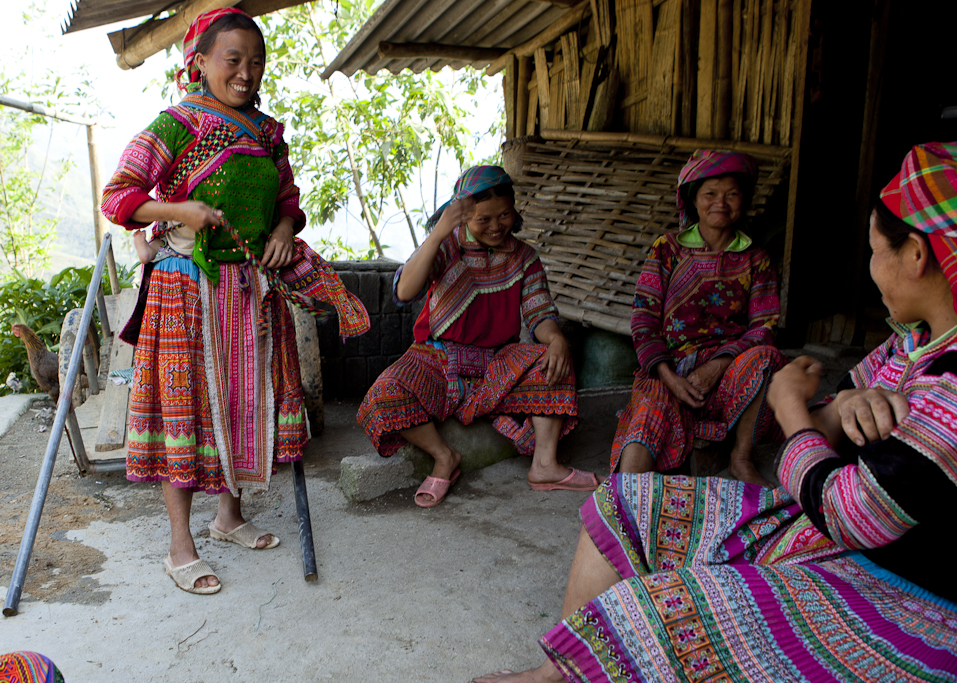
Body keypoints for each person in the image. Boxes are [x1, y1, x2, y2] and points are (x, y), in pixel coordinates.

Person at [473, 140, 957, 683]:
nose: (872, 266)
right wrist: (827, 412)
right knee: (622, 498)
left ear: (918, 255)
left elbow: (851, 510)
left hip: (901, 605)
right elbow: (821, 432)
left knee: (655, 609)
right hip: (828, 527)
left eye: (876, 250)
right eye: (711, 193)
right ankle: (553, 675)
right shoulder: (914, 342)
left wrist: (790, 408)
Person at [101, 8, 367, 594]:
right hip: (184, 289)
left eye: (256, 62)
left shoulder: (268, 133)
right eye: (232, 60)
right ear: (199, 63)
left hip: (249, 288)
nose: (246, 73)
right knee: (187, 410)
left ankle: (228, 517)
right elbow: (118, 197)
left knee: (245, 401)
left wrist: (279, 233)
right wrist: (178, 211)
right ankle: (180, 545)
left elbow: (289, 200)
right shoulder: (174, 125)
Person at [357, 166, 599, 507]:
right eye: (484, 218)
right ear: (464, 215)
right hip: (437, 358)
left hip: (495, 362)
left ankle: (545, 465)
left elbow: (539, 314)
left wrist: (556, 339)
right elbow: (405, 289)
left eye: (504, 215)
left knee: (554, 359)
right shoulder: (447, 246)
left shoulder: (524, 257)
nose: (496, 226)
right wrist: (440, 232)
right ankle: (445, 457)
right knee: (384, 395)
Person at [611, 150, 787, 485]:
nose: (721, 203)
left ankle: (741, 458)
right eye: (710, 194)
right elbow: (643, 318)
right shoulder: (668, 248)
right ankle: (625, 495)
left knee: (767, 358)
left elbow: (763, 327)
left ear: (744, 200)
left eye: (732, 194)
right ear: (693, 200)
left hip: (727, 374)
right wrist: (668, 376)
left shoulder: (756, 259)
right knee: (649, 415)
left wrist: (717, 365)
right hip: (670, 370)